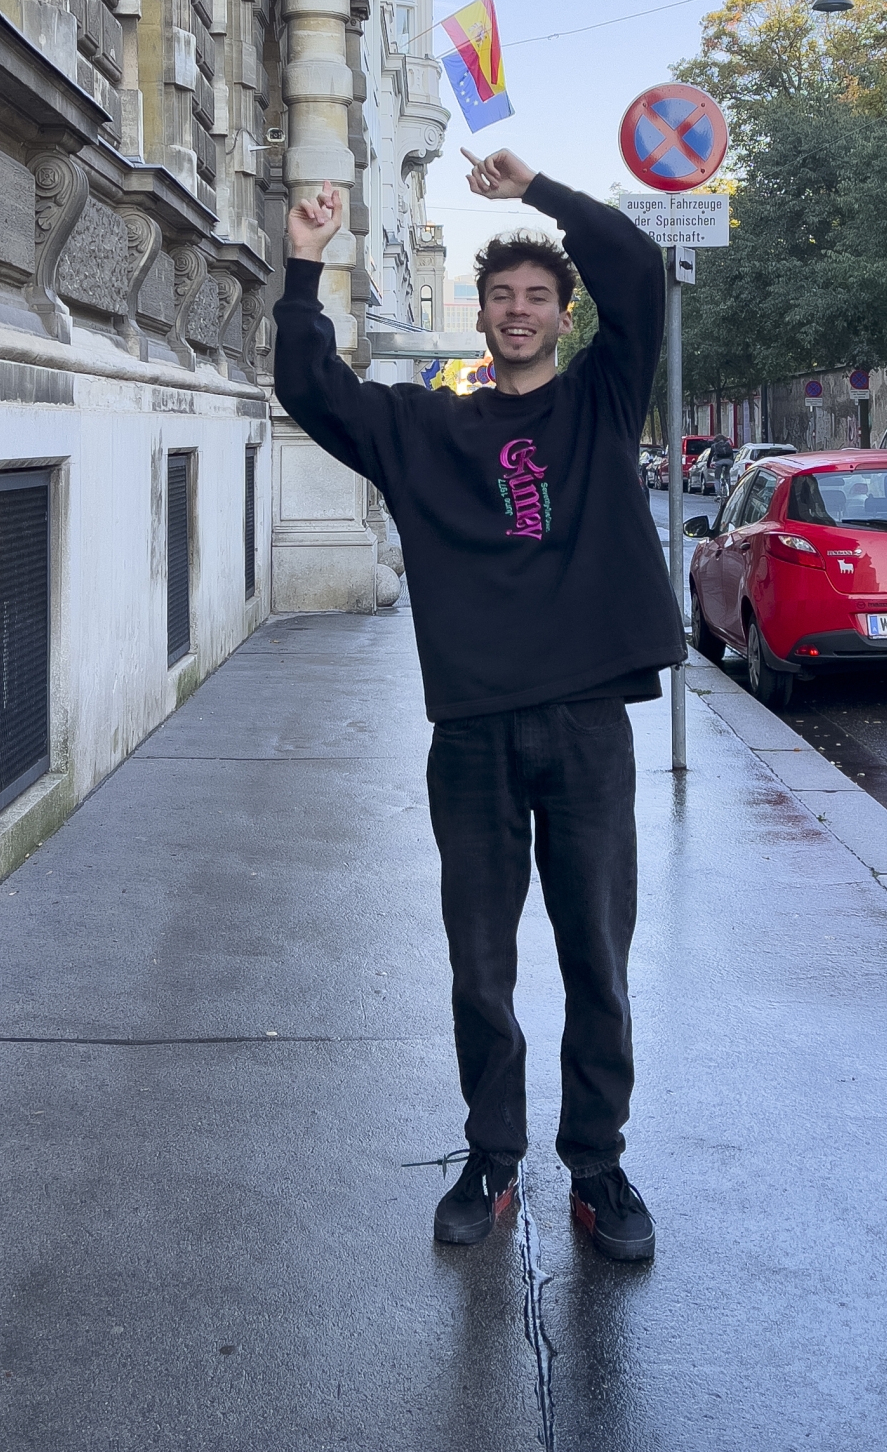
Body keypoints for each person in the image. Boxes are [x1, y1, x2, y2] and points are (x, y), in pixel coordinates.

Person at [273, 147, 684, 1262]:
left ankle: (596, 1164)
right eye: (501, 295)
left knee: (597, 957)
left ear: (561, 315)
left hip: (587, 725)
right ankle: (493, 1155)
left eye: (537, 296)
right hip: (474, 735)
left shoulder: (602, 401)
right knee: (480, 963)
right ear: (482, 312)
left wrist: (537, 193)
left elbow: (635, 265)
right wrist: (303, 265)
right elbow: (312, 388)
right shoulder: (429, 430)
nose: (518, 311)